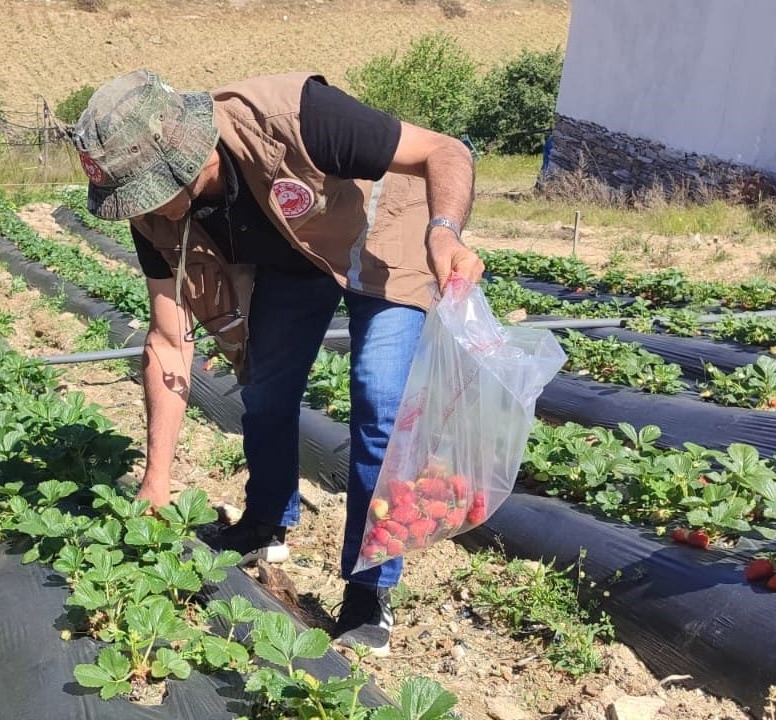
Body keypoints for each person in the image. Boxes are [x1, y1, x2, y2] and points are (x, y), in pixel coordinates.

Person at [69, 69, 483, 655]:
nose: (144, 211)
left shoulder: (299, 116)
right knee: (265, 385)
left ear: (186, 161)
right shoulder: (155, 216)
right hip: (301, 252)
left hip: (390, 233)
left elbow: (447, 150)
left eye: (145, 193)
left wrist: (445, 233)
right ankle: (265, 521)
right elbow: (167, 340)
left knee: (379, 403)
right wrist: (155, 480)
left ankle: (370, 589)